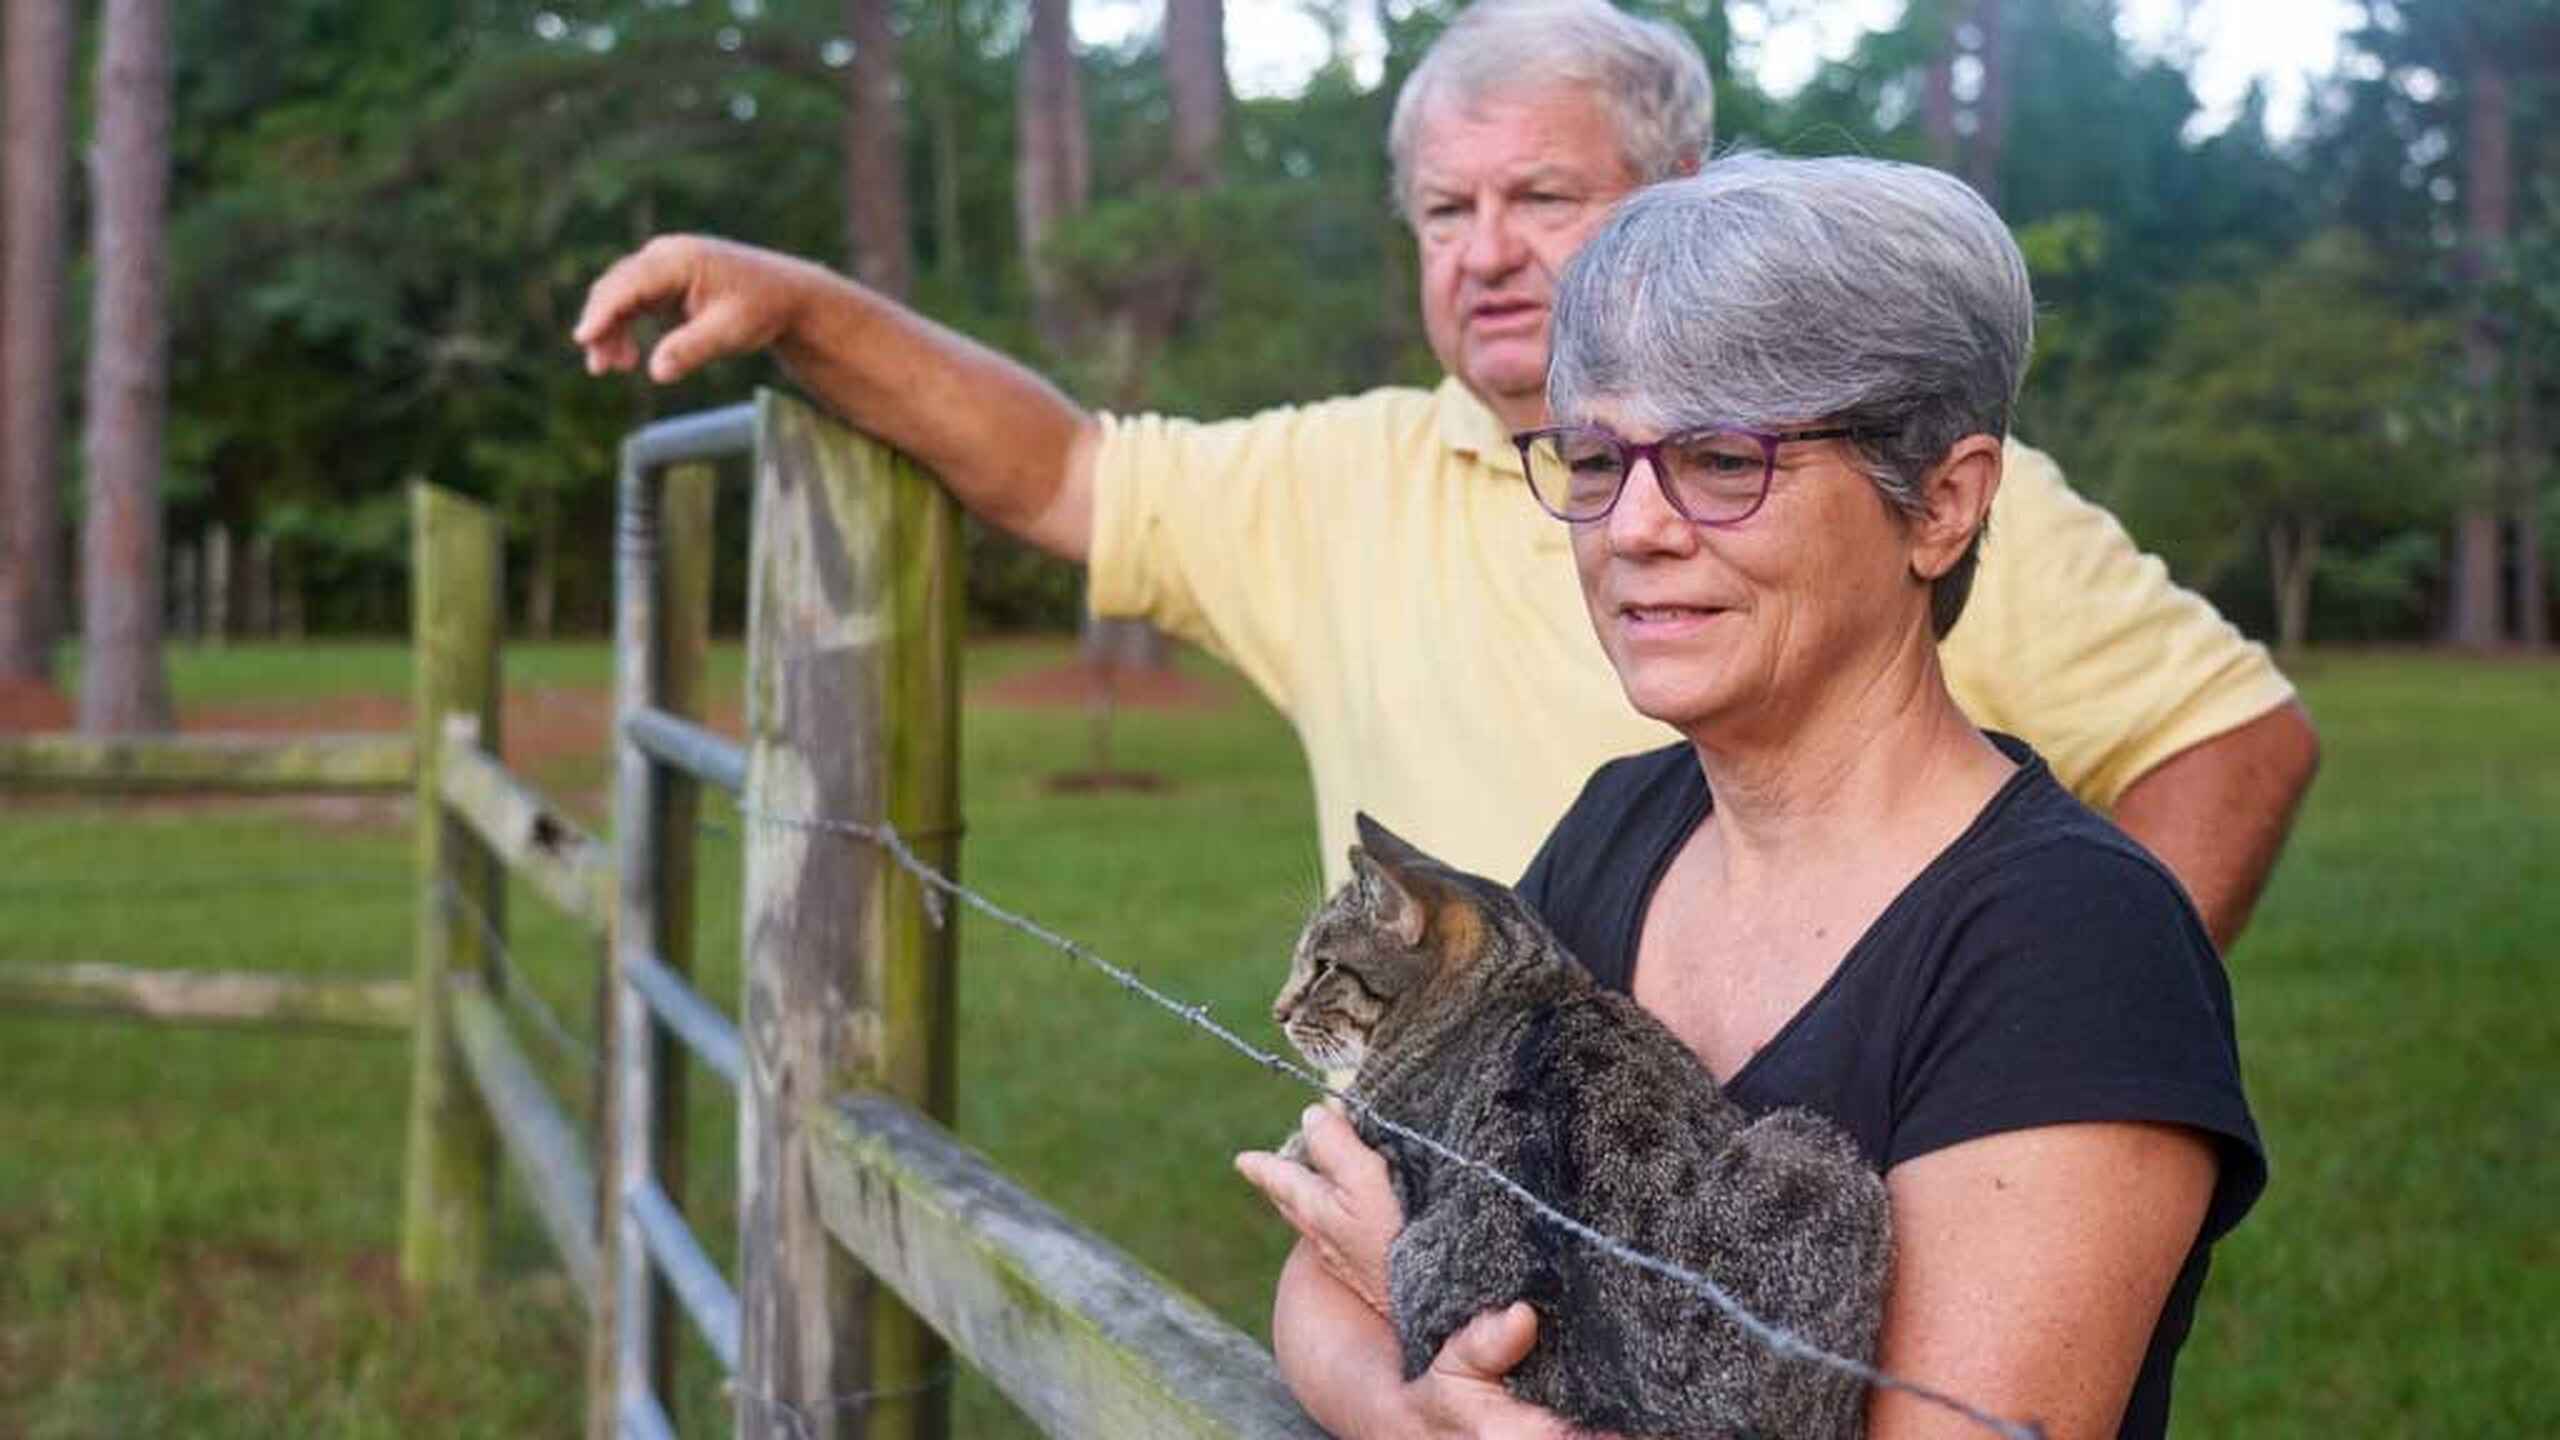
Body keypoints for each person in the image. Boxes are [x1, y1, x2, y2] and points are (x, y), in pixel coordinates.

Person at [573, 0, 2317, 950]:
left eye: (1544, 199)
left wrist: (2041, 1075)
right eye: (1444, 209)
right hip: (1438, 1254)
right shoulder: (1339, 482)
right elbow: (1054, 466)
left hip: (1779, 1266)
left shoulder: (1867, 485)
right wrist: (801, 305)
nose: (1488, 252)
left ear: (1681, 192)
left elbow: (2234, 744)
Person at [1237, 153, 2264, 1440]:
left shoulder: (2069, 945)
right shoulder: (1620, 825)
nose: (1635, 528)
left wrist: (1413, 1303)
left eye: (1725, 459)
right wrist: (1425, 1414)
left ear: (1940, 504)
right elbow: (1316, 1254)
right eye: (1598, 458)